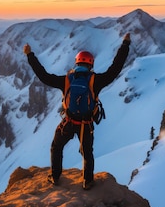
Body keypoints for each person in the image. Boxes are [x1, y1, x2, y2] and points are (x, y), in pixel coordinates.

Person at [23, 33, 131, 190]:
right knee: (87, 153)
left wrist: (30, 55)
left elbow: (43, 76)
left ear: (76, 63)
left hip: (68, 122)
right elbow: (116, 68)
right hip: (86, 124)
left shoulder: (66, 80)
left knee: (56, 146)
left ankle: (55, 176)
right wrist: (125, 45)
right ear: (91, 65)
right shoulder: (96, 81)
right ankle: (87, 181)